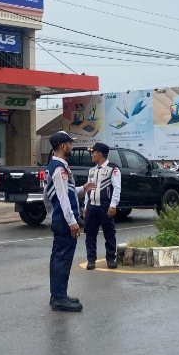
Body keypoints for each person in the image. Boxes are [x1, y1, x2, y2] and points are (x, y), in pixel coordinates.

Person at [44, 131, 95, 311]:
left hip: (60, 219)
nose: (71, 146)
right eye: (70, 143)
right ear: (63, 146)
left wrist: (83, 188)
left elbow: (68, 191)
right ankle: (59, 298)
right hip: (64, 221)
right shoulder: (59, 168)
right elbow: (62, 197)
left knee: (58, 259)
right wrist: (72, 221)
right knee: (62, 260)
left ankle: (58, 295)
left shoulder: (57, 166)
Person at [83, 142, 121, 270]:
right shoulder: (92, 170)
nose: (91, 155)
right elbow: (88, 188)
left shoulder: (113, 169)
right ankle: (91, 259)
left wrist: (113, 205)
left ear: (100, 154)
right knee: (90, 233)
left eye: (93, 153)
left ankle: (110, 258)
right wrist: (85, 206)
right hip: (92, 206)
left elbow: (117, 188)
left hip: (105, 206)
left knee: (109, 233)